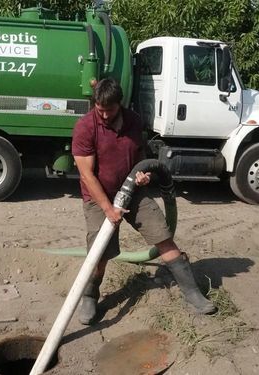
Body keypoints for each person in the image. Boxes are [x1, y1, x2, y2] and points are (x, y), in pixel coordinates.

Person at [71, 77, 216, 325]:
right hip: (99, 198)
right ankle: (89, 297)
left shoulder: (134, 121)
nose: (104, 115)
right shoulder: (86, 127)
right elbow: (86, 174)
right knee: (99, 253)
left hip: (132, 192)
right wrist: (108, 209)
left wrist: (144, 176)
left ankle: (192, 293)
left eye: (110, 110)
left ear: (121, 104)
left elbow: (141, 157)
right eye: (100, 109)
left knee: (163, 237)